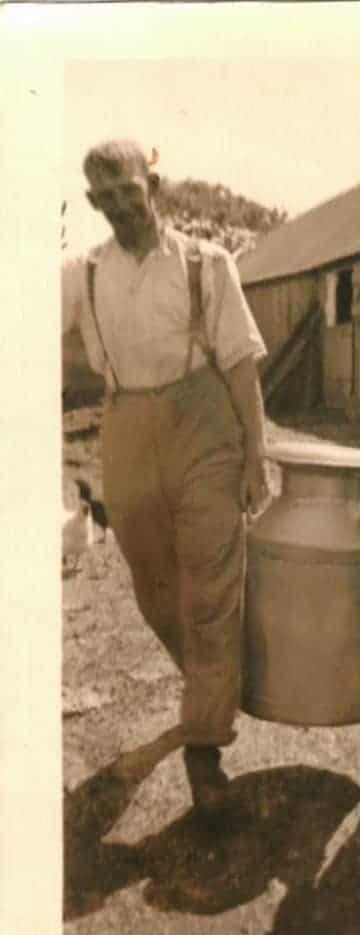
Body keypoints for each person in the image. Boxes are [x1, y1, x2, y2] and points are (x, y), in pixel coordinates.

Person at [62, 139, 270, 815]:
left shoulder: (208, 264)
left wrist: (253, 455)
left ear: (155, 185)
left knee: (212, 587)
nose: (122, 204)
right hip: (127, 425)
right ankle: (210, 687)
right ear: (93, 203)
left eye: (131, 188)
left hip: (201, 417)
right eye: (107, 196)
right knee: (154, 589)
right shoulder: (82, 273)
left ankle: (205, 750)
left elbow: (239, 363)